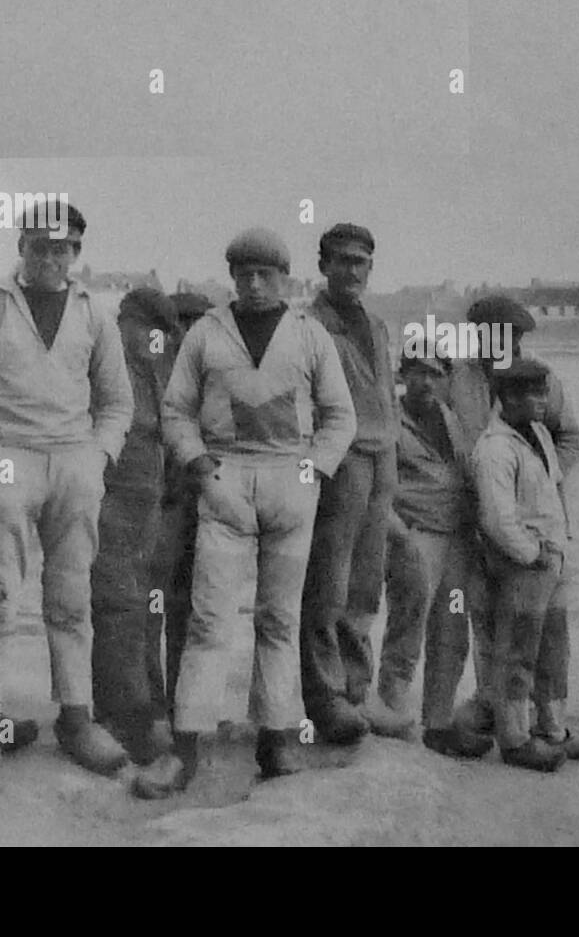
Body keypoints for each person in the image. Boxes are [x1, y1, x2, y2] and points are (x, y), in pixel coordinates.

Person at [135, 228, 355, 796]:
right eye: (245, 274)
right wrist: (202, 469)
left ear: (285, 277)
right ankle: (187, 747)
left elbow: (339, 417)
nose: (255, 285)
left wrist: (312, 472)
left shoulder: (310, 335)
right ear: (231, 276)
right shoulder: (206, 335)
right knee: (210, 621)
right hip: (225, 478)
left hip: (290, 478)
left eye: (267, 274)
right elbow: (176, 411)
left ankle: (277, 738)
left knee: (278, 618)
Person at [0, 205, 134, 782]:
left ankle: (75, 718)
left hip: (73, 461)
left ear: (77, 254)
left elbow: (117, 403)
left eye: (62, 249)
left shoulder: (96, 313)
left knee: (71, 599)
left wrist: (98, 457)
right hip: (8, 457)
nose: (50, 258)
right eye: (40, 247)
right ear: (21, 245)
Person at [445, 294, 579, 737]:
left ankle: (543, 716)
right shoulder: (457, 378)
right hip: (474, 518)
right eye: (491, 337)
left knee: (539, 623)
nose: (501, 345)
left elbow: (569, 437)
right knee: (484, 616)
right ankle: (491, 702)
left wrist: (536, 481)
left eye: (511, 338)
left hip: (530, 524)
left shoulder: (542, 380)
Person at [300, 223, 400, 744]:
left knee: (366, 581)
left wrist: (394, 455)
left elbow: (388, 394)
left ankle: (359, 690)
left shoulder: (377, 326)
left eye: (360, 262)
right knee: (328, 582)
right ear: (323, 265)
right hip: (340, 461)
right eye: (341, 260)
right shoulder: (310, 324)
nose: (351, 271)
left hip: (383, 458)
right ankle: (325, 695)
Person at [470, 358, 579, 772]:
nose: (542, 402)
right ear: (507, 399)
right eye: (531, 395)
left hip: (551, 560)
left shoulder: (538, 434)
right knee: (518, 652)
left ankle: (552, 728)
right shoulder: (494, 449)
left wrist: (554, 550)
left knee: (554, 648)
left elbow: (552, 489)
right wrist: (531, 552)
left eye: (543, 393)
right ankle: (515, 738)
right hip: (524, 566)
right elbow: (496, 518)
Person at [375, 349, 491, 757]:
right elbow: (378, 480)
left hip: (456, 535)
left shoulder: (450, 417)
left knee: (451, 629)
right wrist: (398, 531)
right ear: (402, 374)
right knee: (408, 624)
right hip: (415, 534)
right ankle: (393, 713)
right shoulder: (388, 417)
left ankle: (438, 723)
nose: (426, 382)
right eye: (417, 373)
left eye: (435, 374)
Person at [90, 288, 179, 766]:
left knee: (140, 607)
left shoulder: (152, 363)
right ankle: (126, 716)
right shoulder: (110, 358)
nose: (151, 341)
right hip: (114, 496)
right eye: (148, 330)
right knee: (119, 604)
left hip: (148, 502)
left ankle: (140, 708)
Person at [153, 291, 214, 721]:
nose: (188, 330)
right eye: (182, 322)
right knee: (154, 602)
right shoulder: (153, 370)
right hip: (162, 503)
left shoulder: (212, 375)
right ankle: (151, 701)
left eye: (197, 322)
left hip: (202, 503)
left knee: (193, 608)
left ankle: (182, 703)